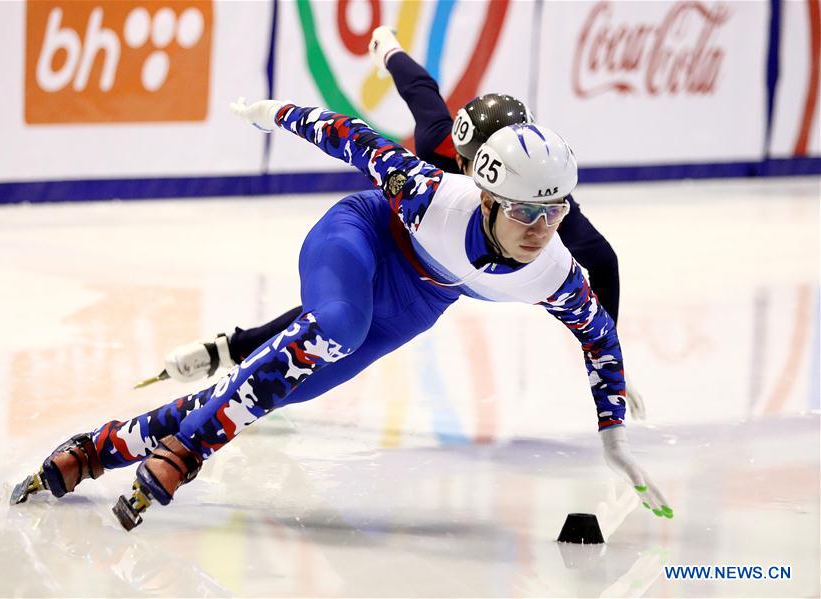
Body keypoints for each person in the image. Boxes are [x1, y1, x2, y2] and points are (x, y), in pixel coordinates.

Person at [10, 98, 672, 530]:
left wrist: (613, 438)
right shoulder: (429, 196)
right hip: (360, 238)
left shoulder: (554, 273)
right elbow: (349, 137)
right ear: (488, 198)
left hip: (415, 304)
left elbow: (600, 342)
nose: (541, 228)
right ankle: (189, 449)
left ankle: (101, 446)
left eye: (555, 211)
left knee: (276, 388)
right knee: (337, 327)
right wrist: (273, 113)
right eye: (526, 211)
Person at [151, 28, 641, 418]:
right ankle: (232, 350)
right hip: (390, 233)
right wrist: (387, 48)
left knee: (345, 326)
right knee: (336, 314)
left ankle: (233, 354)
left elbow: (602, 259)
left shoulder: (531, 197)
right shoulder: (437, 149)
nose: (483, 185)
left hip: (444, 281)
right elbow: (417, 91)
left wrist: (609, 359)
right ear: (461, 157)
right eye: (472, 168)